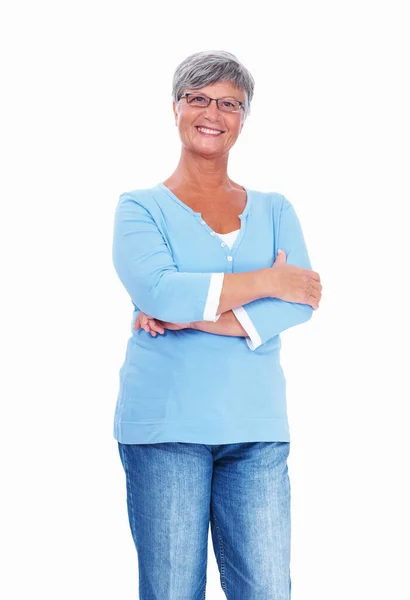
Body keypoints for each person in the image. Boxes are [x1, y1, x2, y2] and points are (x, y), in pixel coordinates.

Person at [112, 49, 322, 600]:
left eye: (230, 103)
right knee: (173, 591)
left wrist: (191, 318)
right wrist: (267, 281)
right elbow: (158, 291)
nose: (213, 112)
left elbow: (301, 300)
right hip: (165, 429)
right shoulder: (139, 208)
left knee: (268, 591)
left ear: (244, 118)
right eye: (199, 98)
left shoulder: (276, 209)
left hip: (256, 429)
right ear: (176, 107)